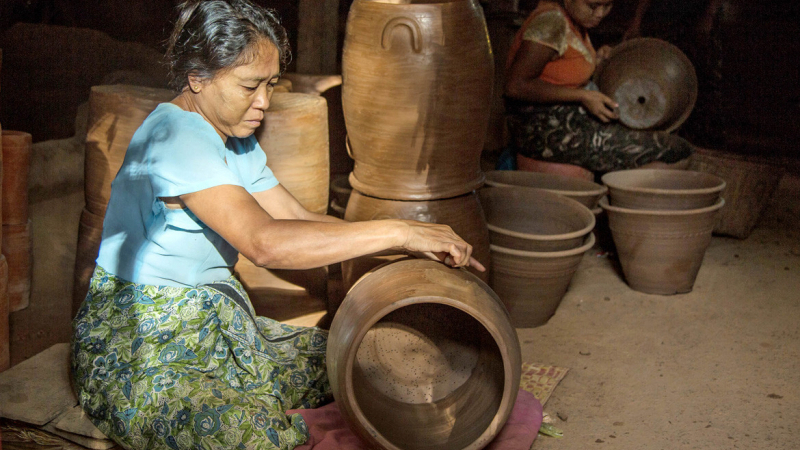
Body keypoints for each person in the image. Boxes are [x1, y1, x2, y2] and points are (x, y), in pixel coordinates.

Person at [70, 1, 484, 449]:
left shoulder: (234, 138)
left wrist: (407, 245)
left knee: (361, 360)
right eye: (250, 86)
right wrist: (401, 231)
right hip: (143, 340)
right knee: (247, 436)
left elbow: (300, 220)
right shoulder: (174, 137)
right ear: (197, 79)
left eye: (270, 84)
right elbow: (264, 243)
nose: (263, 102)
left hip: (217, 323)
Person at [504, 0, 694, 176]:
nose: (600, 14)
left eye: (607, 5)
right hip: (542, 127)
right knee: (675, 151)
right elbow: (516, 86)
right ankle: (622, 202)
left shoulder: (573, 21)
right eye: (593, 6)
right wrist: (583, 96)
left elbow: (560, 71)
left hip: (567, 117)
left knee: (661, 141)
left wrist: (594, 60)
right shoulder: (551, 22)